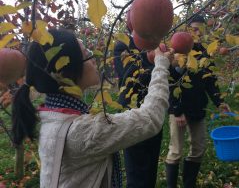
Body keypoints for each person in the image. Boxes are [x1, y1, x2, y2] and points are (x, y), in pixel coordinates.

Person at [11, 29, 173, 188]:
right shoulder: (82, 131)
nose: (93, 58)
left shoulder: (50, 118)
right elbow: (151, 118)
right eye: (86, 54)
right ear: (65, 71)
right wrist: (161, 65)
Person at [165, 15, 230, 188]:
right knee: (176, 151)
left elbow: (210, 80)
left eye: (200, 30)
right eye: (194, 29)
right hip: (179, 109)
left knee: (198, 149)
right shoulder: (177, 51)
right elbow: (170, 82)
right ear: (187, 30)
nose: (197, 33)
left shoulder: (205, 52)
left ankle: (189, 185)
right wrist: (177, 110)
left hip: (197, 107)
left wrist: (219, 102)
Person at [113, 33, 163, 188]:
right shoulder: (123, 45)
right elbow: (127, 76)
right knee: (136, 168)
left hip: (153, 111)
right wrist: (157, 64)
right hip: (133, 113)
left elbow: (170, 77)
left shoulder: (156, 43)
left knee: (151, 164)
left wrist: (171, 64)